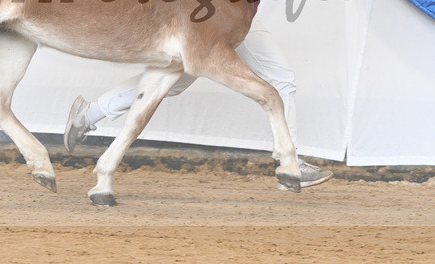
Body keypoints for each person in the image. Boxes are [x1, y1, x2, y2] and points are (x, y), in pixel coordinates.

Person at [64, 19, 334, 188]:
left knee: (172, 80)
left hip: (237, 14)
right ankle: (87, 115)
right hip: (214, 16)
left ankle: (87, 114)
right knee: (170, 79)